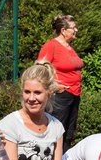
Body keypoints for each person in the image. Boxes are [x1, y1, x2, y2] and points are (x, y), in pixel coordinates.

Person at [36, 14, 84, 149]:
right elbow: (40, 70)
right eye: (73, 28)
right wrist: (55, 87)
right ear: (63, 30)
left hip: (74, 95)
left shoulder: (69, 47)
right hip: (60, 97)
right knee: (57, 132)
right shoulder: (51, 46)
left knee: (69, 133)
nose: (76, 30)